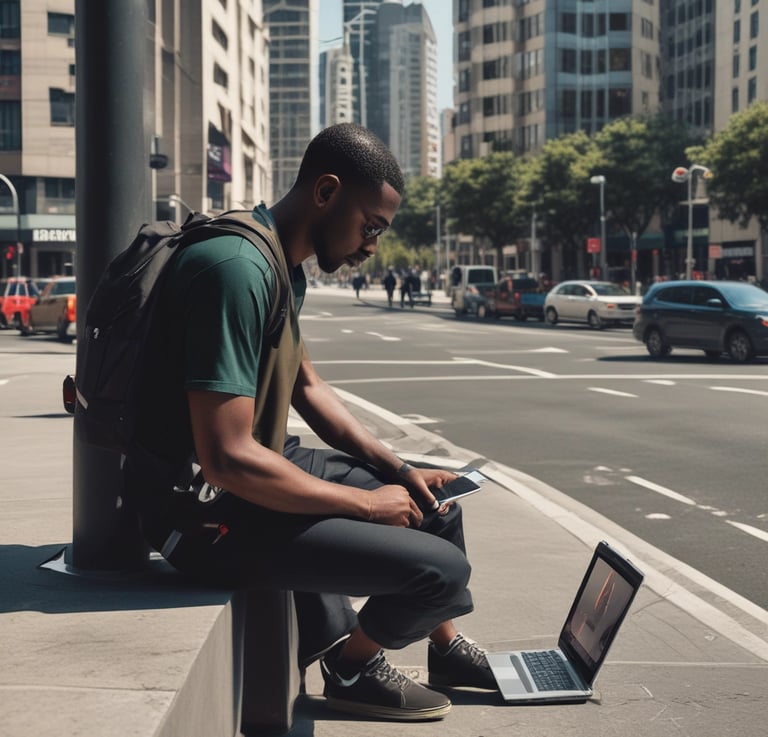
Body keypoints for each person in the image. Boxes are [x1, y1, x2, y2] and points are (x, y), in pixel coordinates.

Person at [126, 123, 494, 722]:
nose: (372, 244)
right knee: (441, 569)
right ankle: (352, 667)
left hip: (252, 474)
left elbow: (308, 387)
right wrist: (367, 505)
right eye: (370, 225)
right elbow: (225, 457)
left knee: (436, 511)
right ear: (326, 191)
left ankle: (446, 650)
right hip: (200, 514)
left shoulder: (280, 264)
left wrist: (397, 469)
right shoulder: (236, 268)